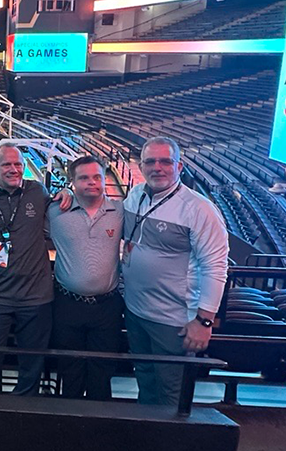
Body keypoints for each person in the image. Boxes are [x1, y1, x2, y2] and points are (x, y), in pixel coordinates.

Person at [123, 137, 229, 405]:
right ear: (141, 165)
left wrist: (204, 321)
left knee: (171, 394)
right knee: (145, 380)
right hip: (136, 313)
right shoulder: (134, 196)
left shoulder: (199, 209)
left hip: (174, 322)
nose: (157, 167)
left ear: (179, 166)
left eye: (165, 161)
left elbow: (215, 267)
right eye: (150, 161)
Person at [0, 142, 53, 396]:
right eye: (6, 164)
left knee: (32, 364)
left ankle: (24, 413)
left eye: (18, 164)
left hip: (36, 298)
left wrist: (69, 194)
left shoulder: (38, 192)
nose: (13, 169)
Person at [47, 155, 124, 400]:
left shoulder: (120, 212)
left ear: (104, 180)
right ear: (72, 182)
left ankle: (98, 429)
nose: (91, 182)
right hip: (67, 304)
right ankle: (70, 427)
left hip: (107, 307)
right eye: (84, 178)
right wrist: (59, 193)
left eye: (96, 177)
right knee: (70, 370)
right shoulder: (54, 211)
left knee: (102, 372)